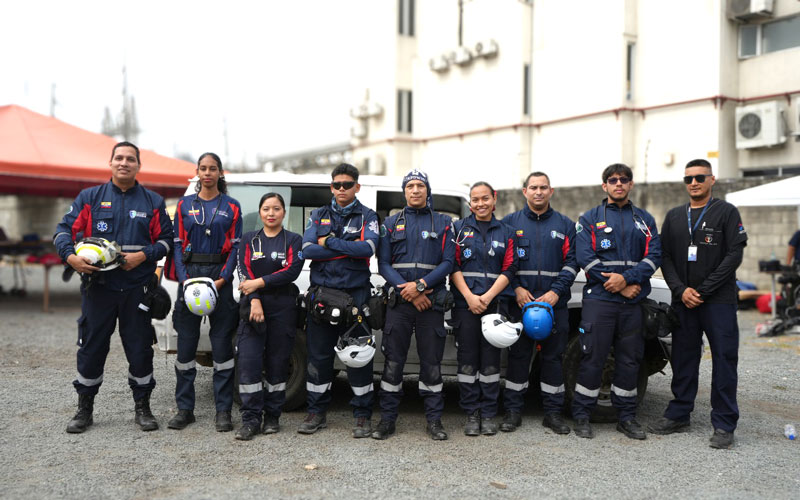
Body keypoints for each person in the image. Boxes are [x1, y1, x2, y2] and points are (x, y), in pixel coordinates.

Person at [54, 141, 173, 433]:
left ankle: (143, 408)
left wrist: (143, 255)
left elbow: (168, 241)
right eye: (118, 158)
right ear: (110, 163)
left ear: (138, 166)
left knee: (140, 348)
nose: (124, 163)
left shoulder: (153, 202)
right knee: (92, 347)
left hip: (137, 290)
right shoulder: (89, 198)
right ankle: (84, 410)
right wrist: (72, 258)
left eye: (130, 159)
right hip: (99, 289)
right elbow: (63, 231)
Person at [648, 159, 747, 449]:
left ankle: (724, 424)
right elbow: (664, 256)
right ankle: (679, 414)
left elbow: (734, 256)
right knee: (683, 359)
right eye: (689, 178)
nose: (694, 183)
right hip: (684, 302)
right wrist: (680, 290)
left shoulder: (726, 212)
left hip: (717, 301)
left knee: (724, 360)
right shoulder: (675, 216)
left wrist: (702, 291)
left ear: (712, 179)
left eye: (700, 177)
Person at [572, 163, 661, 440]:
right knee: (592, 358)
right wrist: (619, 285)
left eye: (624, 180)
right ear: (605, 186)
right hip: (601, 300)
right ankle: (582, 416)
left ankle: (626, 417)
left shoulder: (644, 220)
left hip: (633, 302)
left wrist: (629, 280)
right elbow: (585, 257)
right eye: (613, 180)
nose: (618, 184)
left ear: (631, 184)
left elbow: (654, 255)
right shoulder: (589, 219)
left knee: (630, 360)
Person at [372, 169, 455, 441]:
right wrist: (406, 290)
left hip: (430, 303)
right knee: (393, 363)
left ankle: (434, 420)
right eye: (410, 187)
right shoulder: (390, 223)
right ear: (404, 192)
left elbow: (448, 263)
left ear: (427, 190)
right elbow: (383, 263)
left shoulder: (444, 223)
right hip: (400, 303)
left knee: (431, 363)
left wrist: (419, 287)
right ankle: (387, 420)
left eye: (420, 186)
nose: (416, 190)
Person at [299, 163, 380, 437]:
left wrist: (330, 242)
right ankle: (316, 413)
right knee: (318, 358)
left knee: (358, 359)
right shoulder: (318, 214)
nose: (342, 189)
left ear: (358, 186)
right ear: (331, 186)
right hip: (322, 297)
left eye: (347, 184)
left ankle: (362, 415)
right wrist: (348, 249)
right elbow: (307, 250)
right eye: (337, 185)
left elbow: (367, 248)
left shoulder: (368, 216)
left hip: (355, 298)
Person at [167, 153, 242, 432]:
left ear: (221, 173)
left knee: (221, 345)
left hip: (218, 279)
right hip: (190, 277)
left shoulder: (232, 206)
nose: (207, 173)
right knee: (186, 346)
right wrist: (185, 280)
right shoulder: (185, 205)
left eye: (213, 169)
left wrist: (222, 280)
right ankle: (185, 409)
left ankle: (223, 411)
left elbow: (236, 247)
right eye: (203, 168)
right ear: (197, 172)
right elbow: (176, 245)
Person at [500, 172, 577, 434]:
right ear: (524, 191)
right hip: (519, 304)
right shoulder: (509, 224)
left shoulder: (565, 225)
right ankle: (512, 411)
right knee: (518, 357)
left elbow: (572, 263)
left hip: (555, 305)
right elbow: (504, 264)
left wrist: (556, 292)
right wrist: (517, 288)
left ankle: (553, 413)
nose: (539, 192)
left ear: (551, 191)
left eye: (543, 187)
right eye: (533, 187)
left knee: (553, 359)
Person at [234, 193, 304, 440]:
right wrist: (254, 299)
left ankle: (273, 416)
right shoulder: (248, 240)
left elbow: (291, 271)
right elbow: (243, 270)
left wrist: (258, 284)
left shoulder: (293, 240)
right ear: (260, 212)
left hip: (282, 306)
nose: (271, 213)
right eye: (266, 209)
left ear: (284, 212)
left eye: (276, 208)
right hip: (253, 307)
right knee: (249, 363)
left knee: (277, 363)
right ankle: (250, 419)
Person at [450, 181, 518, 436]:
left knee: (490, 361)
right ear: (470, 203)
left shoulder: (507, 232)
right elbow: (453, 266)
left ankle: (488, 413)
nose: (480, 204)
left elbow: (510, 269)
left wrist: (487, 297)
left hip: (495, 304)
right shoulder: (457, 229)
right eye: (475, 200)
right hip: (464, 304)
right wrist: (469, 297)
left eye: (484, 199)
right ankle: (471, 413)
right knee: (467, 360)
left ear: (494, 199)